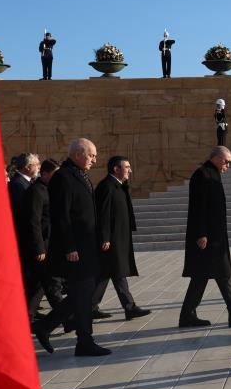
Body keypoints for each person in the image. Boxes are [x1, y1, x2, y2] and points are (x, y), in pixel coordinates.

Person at [32, 138, 112, 356]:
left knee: (81, 294)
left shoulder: (79, 174)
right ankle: (84, 341)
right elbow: (62, 216)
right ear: (78, 154)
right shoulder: (63, 177)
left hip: (86, 246)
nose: (94, 160)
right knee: (83, 294)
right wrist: (69, 247)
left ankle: (45, 326)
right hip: (75, 250)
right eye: (91, 155)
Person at [179, 146, 231, 328]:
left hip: (215, 237)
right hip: (207, 238)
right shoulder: (202, 175)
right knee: (218, 274)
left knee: (207, 276)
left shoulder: (211, 173)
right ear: (214, 158)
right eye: (226, 161)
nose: (227, 165)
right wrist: (201, 233)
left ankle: (190, 315)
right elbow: (197, 207)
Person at [92, 156, 151, 320]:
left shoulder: (118, 186)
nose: (130, 170)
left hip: (119, 237)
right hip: (111, 239)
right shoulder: (107, 186)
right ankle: (129, 307)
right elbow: (102, 215)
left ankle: (90, 306)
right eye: (127, 167)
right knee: (117, 271)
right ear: (116, 169)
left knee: (106, 273)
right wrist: (105, 237)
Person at [16, 159, 65, 321]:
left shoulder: (49, 189)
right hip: (41, 246)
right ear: (45, 173)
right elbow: (33, 221)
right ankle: (65, 318)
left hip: (49, 244)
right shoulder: (37, 191)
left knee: (38, 284)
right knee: (49, 284)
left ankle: (28, 316)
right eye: (55, 174)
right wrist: (39, 248)